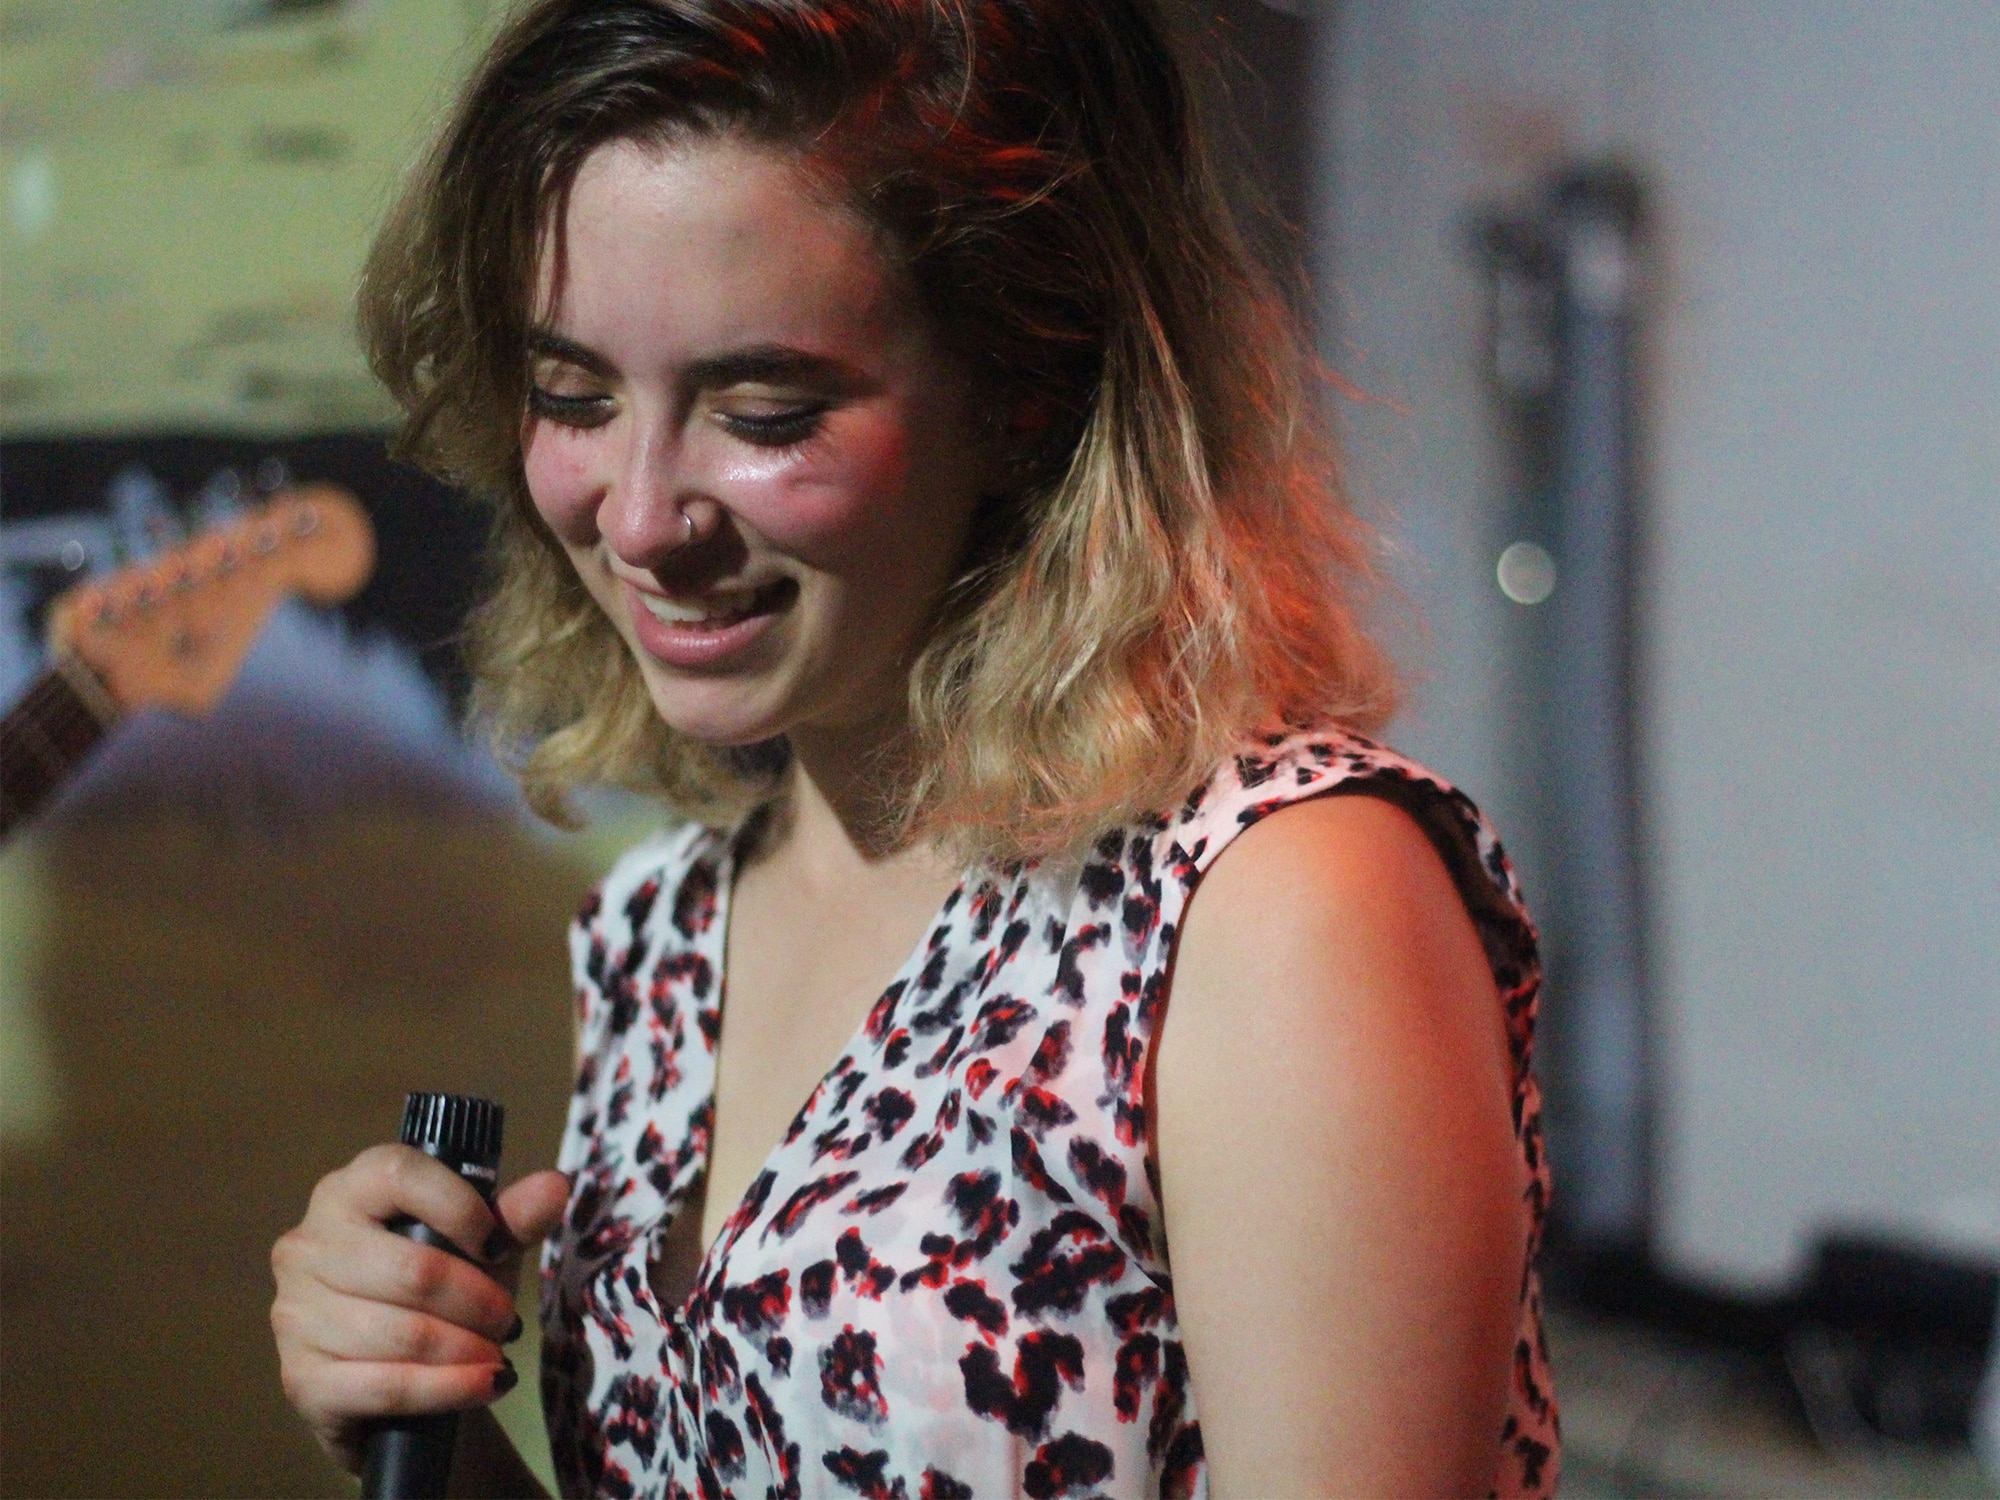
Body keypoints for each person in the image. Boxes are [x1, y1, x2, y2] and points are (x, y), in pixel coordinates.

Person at [269, 0, 1560, 1494]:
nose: (637, 518)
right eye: (573, 398)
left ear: (1027, 391)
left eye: (762, 410)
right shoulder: (660, 931)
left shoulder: (1268, 909)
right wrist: (408, 1412)